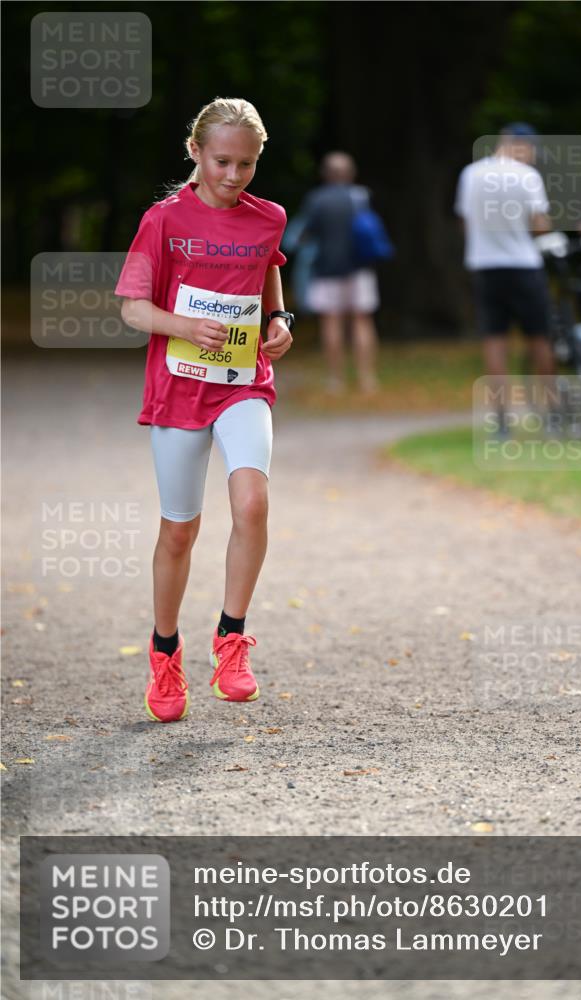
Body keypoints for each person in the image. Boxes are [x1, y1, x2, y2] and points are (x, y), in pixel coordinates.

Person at [115, 97, 293, 723]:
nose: (234, 175)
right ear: (195, 152)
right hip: (178, 389)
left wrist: (278, 318)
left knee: (252, 502)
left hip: (243, 382)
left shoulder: (268, 218)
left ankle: (231, 639)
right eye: (222, 161)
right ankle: (165, 651)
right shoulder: (163, 220)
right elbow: (133, 308)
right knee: (179, 530)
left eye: (246, 164)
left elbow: (267, 271)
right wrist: (185, 325)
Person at [454, 123, 554, 430]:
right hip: (523, 265)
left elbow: (465, 221)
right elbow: (540, 225)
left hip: (485, 266)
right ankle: (551, 413)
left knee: (494, 342)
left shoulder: (471, 174)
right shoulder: (527, 176)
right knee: (539, 338)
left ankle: (501, 420)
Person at [299, 151, 381, 394]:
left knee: (331, 322)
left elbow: (306, 234)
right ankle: (367, 379)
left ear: (325, 174)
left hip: (326, 268)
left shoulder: (317, 199)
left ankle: (336, 380)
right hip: (360, 267)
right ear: (351, 173)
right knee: (362, 320)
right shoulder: (361, 196)